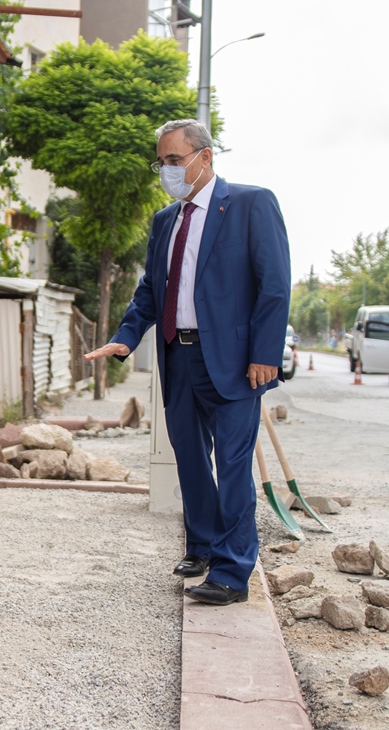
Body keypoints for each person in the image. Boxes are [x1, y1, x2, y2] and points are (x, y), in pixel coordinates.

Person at [85, 119, 291, 606]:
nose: (167, 171)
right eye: (161, 162)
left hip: (235, 363)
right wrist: (125, 338)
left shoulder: (250, 203)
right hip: (178, 357)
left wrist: (265, 354)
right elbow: (150, 291)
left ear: (205, 157)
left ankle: (232, 573)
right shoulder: (165, 221)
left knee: (233, 466)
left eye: (175, 160)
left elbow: (275, 284)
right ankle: (201, 547)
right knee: (191, 460)